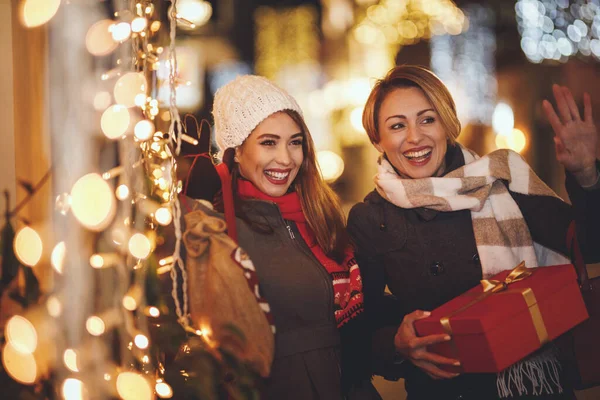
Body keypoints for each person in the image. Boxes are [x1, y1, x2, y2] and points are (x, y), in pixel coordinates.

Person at [347, 65, 600, 400]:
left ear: (447, 125)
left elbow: (591, 245)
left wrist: (586, 175)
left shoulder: (502, 178)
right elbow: (359, 328)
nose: (414, 137)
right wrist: (396, 343)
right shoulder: (371, 218)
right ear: (377, 139)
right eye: (397, 126)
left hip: (536, 387)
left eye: (427, 119)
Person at [208, 75, 380, 400]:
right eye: (268, 142)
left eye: (295, 142)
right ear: (236, 151)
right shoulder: (221, 230)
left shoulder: (321, 216)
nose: (286, 159)